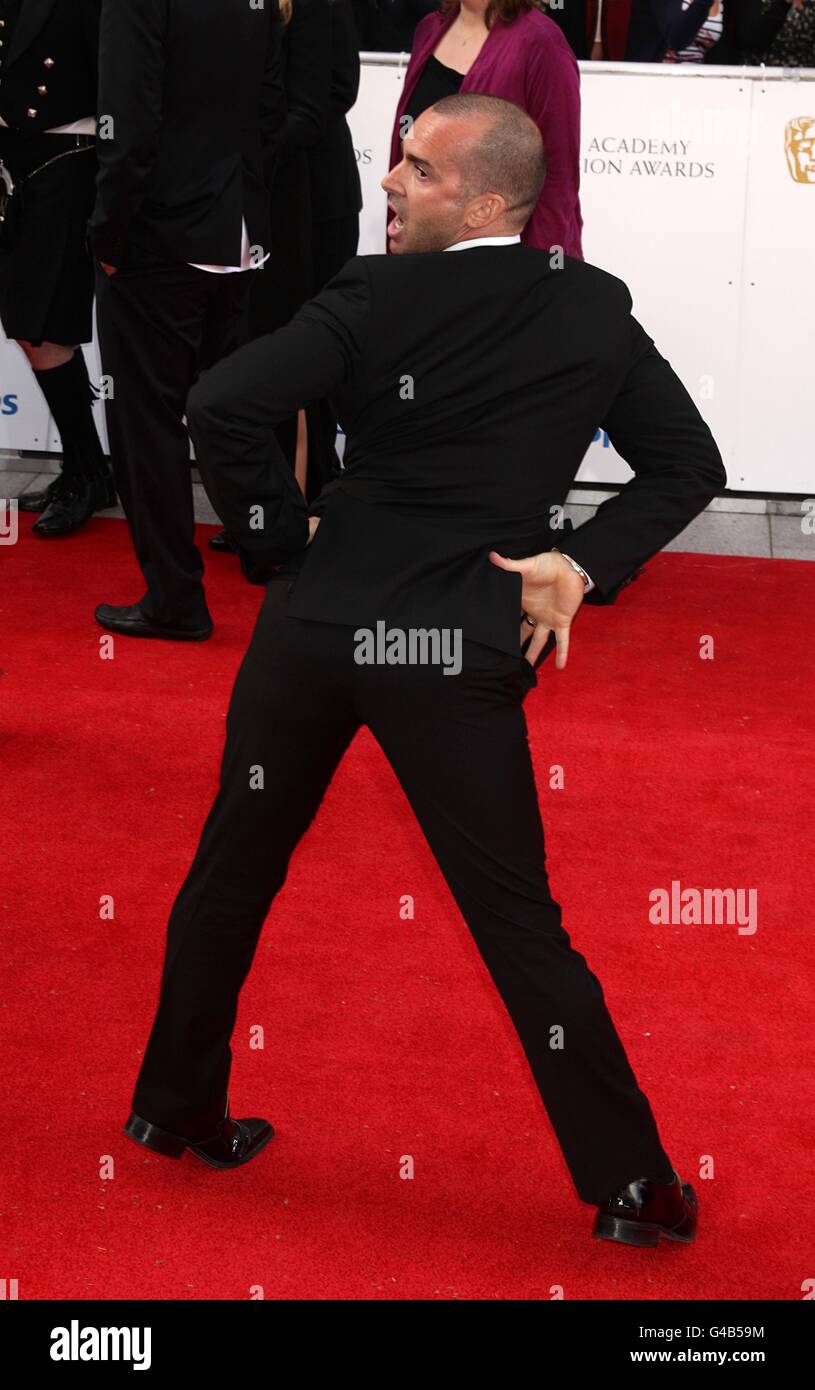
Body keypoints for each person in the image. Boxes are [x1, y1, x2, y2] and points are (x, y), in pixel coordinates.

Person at [122, 94, 726, 1246]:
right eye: (399, 162)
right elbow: (684, 465)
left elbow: (220, 402)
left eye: (420, 171)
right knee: (512, 918)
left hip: (312, 626)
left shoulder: (367, 293)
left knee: (229, 872)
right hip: (450, 643)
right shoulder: (589, 309)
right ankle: (632, 1186)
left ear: (488, 199)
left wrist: (276, 536)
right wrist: (579, 568)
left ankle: (171, 1104)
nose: (390, 181)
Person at [88, 0, 285, 642]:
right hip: (237, 230)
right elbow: (269, 108)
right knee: (229, 410)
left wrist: (108, 238)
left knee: (148, 423)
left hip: (159, 237)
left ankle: (175, 598)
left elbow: (129, 126)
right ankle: (275, 549)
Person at [0, 0, 115, 537]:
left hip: (69, 153)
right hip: (10, 158)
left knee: (42, 320)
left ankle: (87, 472)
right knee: (29, 323)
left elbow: (119, 76)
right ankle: (88, 469)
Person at [389, 0, 583, 257]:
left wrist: (539, 275)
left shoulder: (542, 43)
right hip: (423, 248)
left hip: (497, 261)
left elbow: (558, 174)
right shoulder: (430, 28)